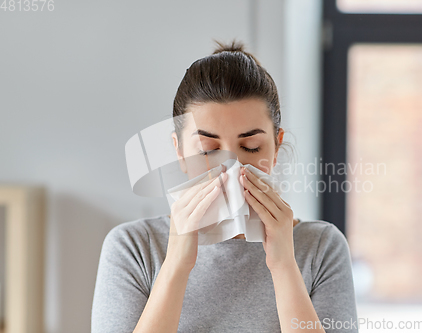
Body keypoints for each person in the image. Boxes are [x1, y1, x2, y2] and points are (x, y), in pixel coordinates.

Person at [91, 40, 358, 333]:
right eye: (207, 150)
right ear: (179, 151)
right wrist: (177, 264)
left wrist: (283, 265)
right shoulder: (134, 248)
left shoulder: (320, 247)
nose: (232, 167)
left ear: (276, 148)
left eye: (251, 147)